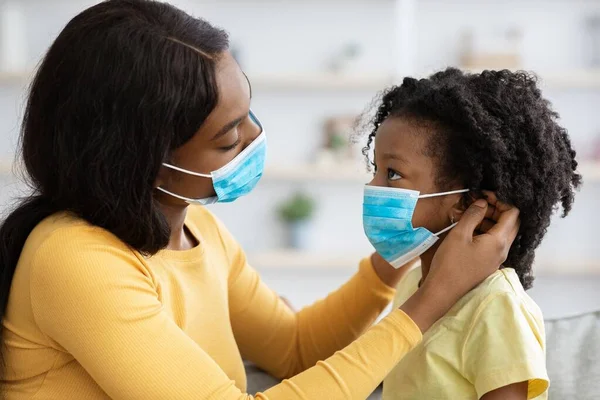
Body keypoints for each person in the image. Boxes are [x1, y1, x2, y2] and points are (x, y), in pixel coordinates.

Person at [0, 2, 519, 399]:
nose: (254, 137)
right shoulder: (73, 261)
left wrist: (395, 255)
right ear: (136, 156)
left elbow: (293, 350)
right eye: (228, 139)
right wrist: (431, 302)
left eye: (249, 113)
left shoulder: (198, 231)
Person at [360, 68, 581, 400]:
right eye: (374, 169)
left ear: (466, 202)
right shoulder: (410, 286)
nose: (372, 186)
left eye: (392, 174)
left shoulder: (497, 306)